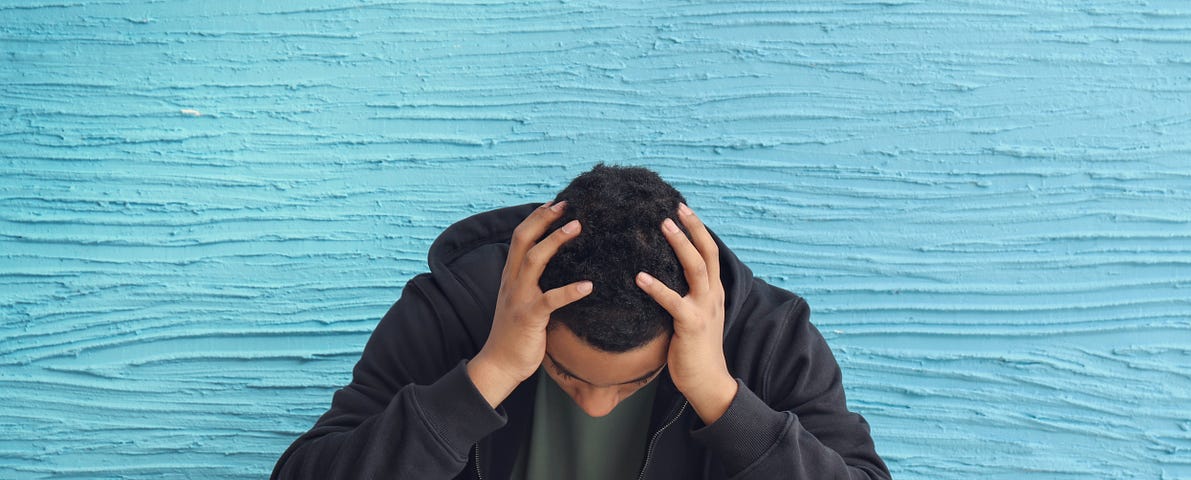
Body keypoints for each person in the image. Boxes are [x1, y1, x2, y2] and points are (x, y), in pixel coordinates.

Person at [271, 164, 891, 480]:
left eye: (632, 383)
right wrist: (486, 375)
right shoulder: (454, 311)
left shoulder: (767, 336)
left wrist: (719, 396)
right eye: (566, 374)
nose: (598, 407)